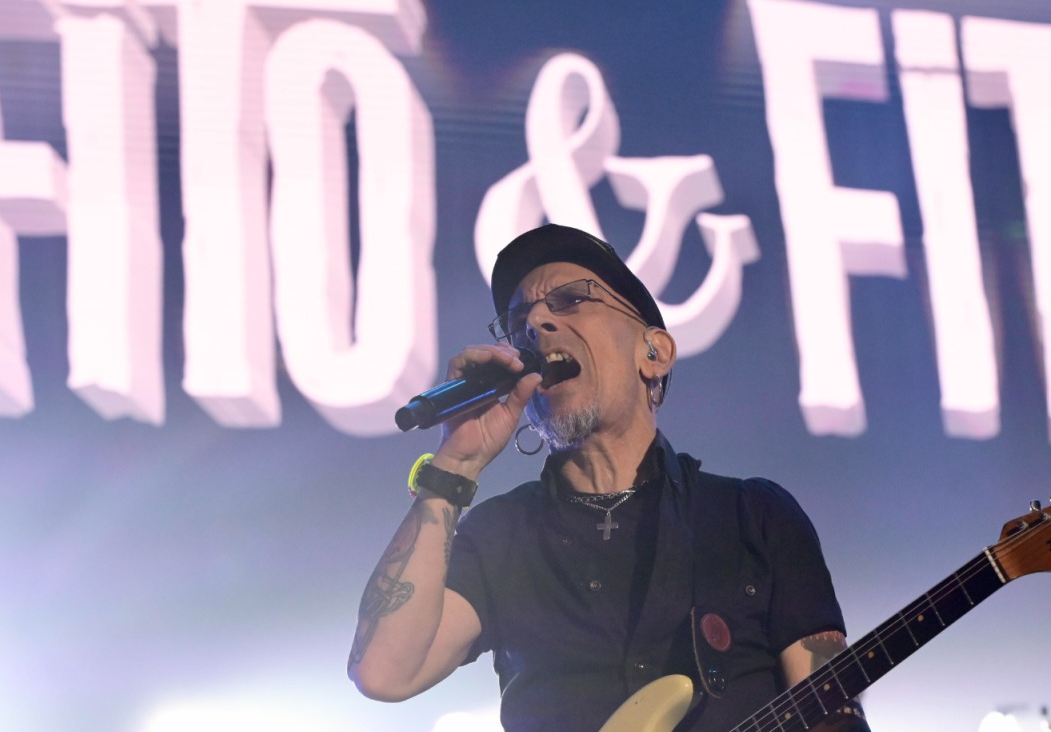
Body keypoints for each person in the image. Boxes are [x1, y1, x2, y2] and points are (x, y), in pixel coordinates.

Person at [348, 224, 868, 732]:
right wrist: (454, 466)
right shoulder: (500, 536)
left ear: (655, 352)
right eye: (520, 319)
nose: (537, 324)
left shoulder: (753, 516)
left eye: (571, 300)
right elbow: (384, 671)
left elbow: (832, 712)